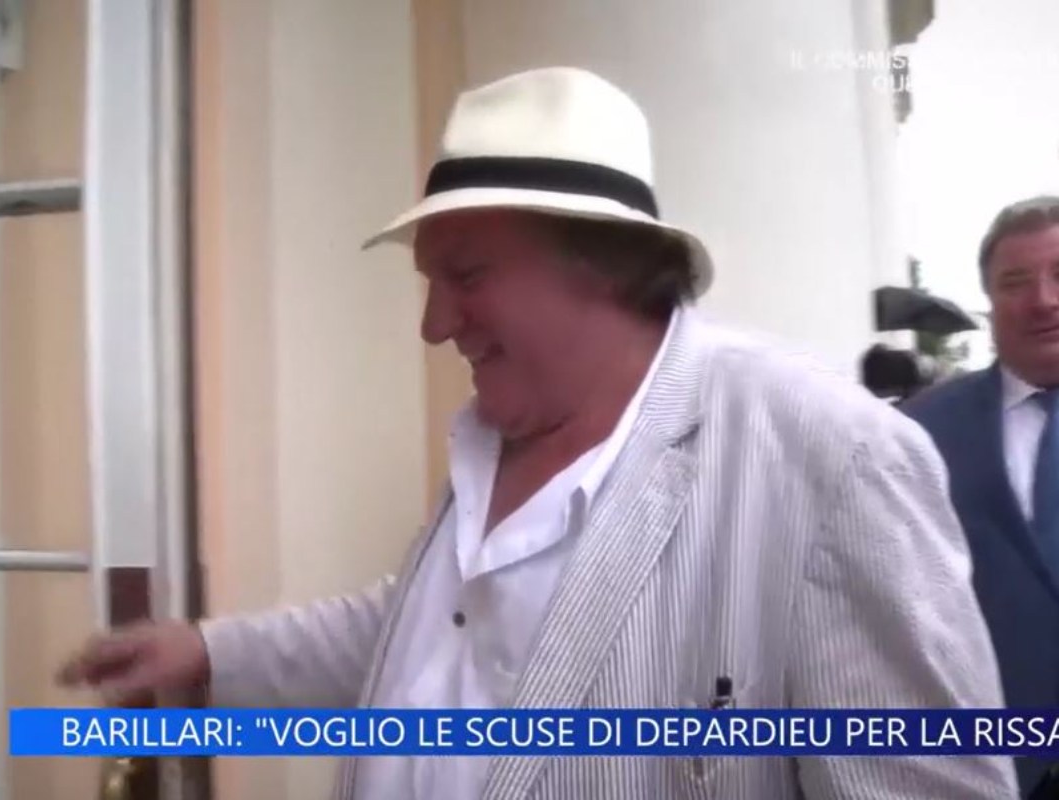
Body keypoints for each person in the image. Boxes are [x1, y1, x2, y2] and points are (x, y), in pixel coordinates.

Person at [59, 67, 1016, 798]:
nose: (435, 325)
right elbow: (433, 634)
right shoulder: (494, 438)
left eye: (467, 276)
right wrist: (208, 652)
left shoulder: (831, 459)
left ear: (604, 265)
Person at [903, 195, 1059, 798]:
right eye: (1015, 282)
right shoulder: (915, 433)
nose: (1043, 300)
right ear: (989, 300)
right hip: (985, 767)